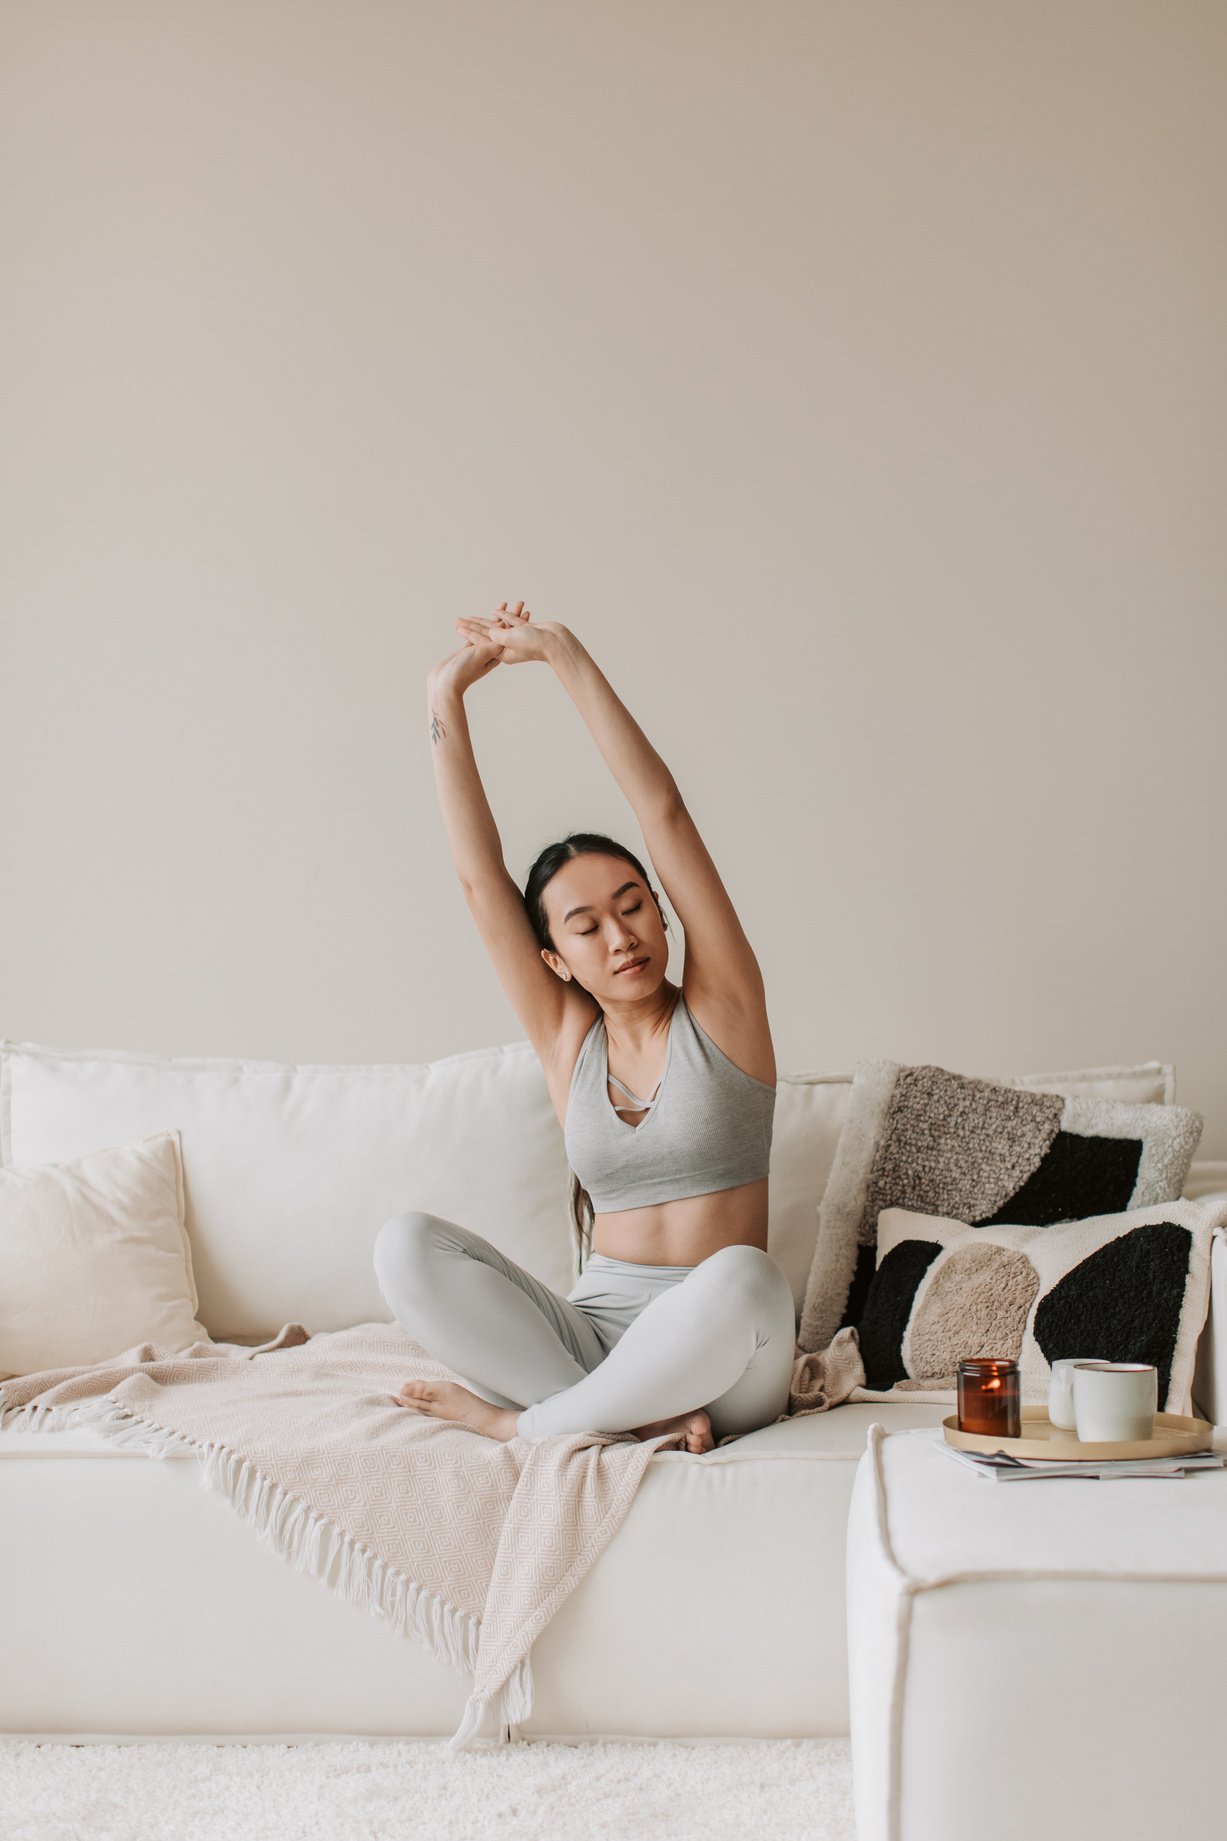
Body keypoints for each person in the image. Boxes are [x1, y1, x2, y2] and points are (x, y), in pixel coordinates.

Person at [373, 601, 796, 1454]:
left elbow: (663, 810)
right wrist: (443, 694)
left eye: (633, 905)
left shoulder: (725, 1012)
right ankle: (625, 1414)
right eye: (584, 925)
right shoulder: (569, 1041)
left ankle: (529, 1424)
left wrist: (563, 655)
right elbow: (476, 878)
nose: (620, 935)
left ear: (664, 917)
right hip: (595, 1339)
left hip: (725, 1356)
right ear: (556, 960)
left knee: (745, 1276)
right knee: (404, 1245)